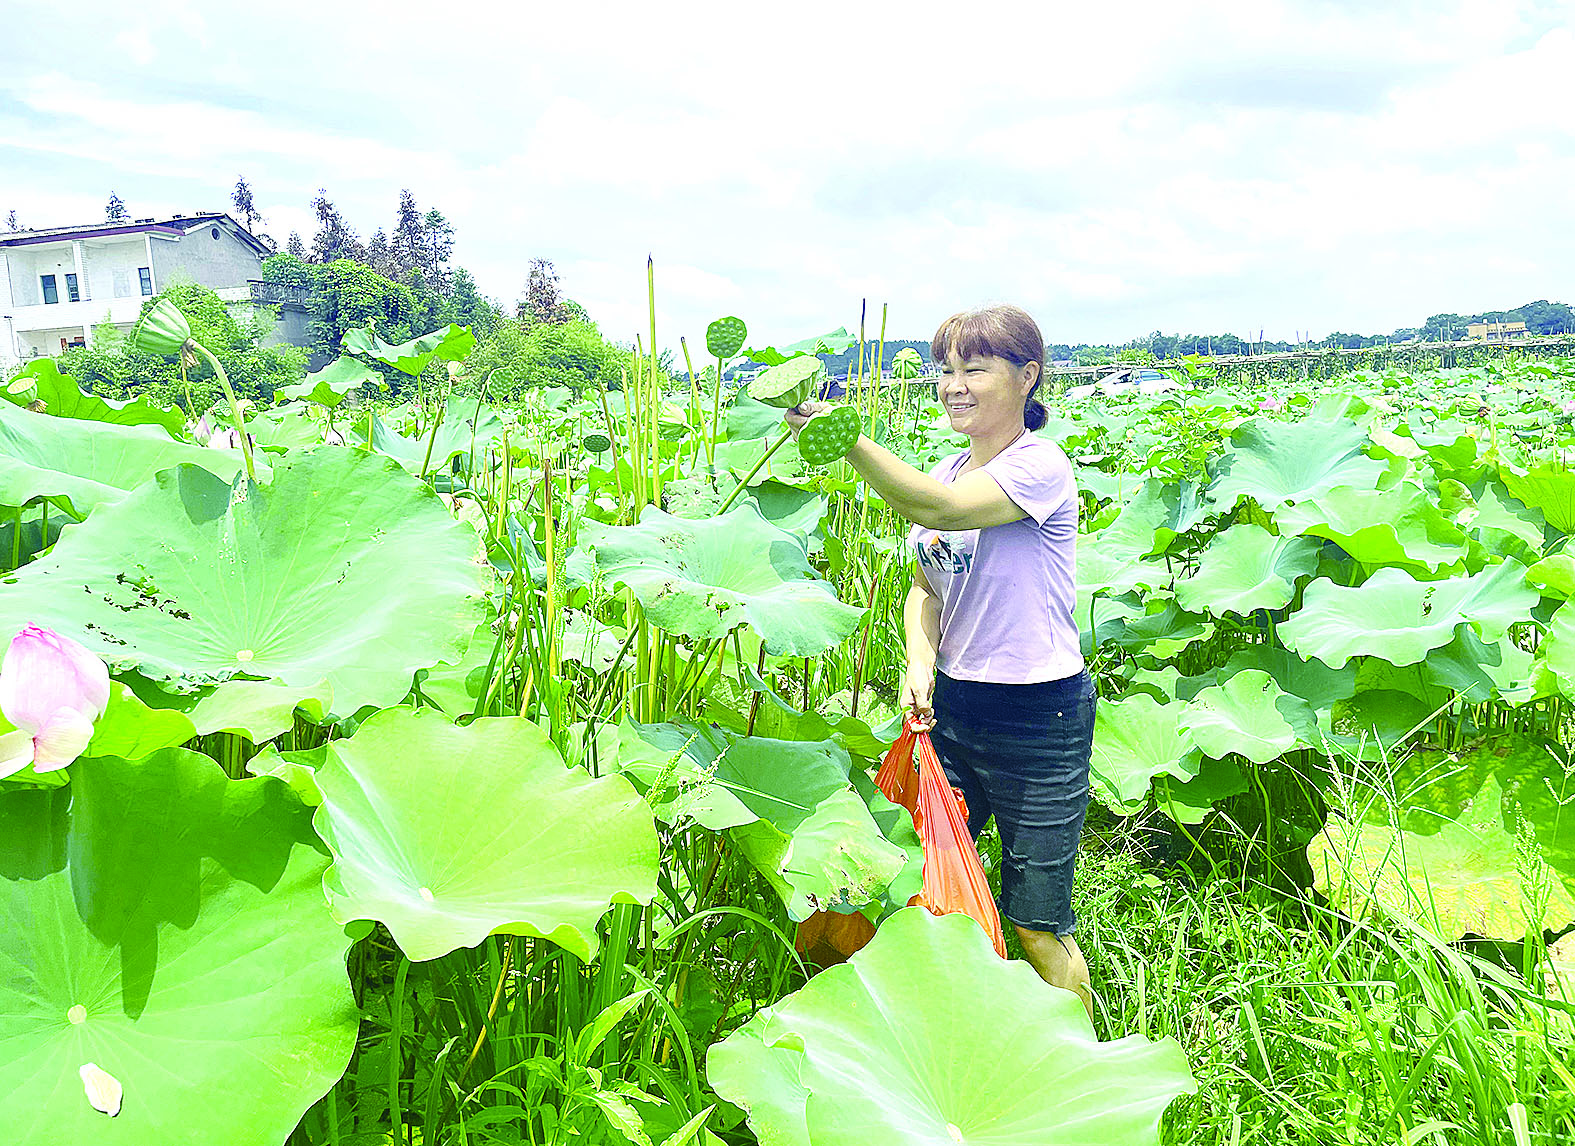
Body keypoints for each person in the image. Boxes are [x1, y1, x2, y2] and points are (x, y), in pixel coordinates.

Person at [786, 303, 1096, 1019]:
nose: (954, 385)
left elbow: (947, 511)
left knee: (1035, 925)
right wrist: (918, 661)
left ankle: (1079, 1057)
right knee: (914, 884)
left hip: (1039, 718)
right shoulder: (949, 468)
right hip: (953, 711)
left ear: (1027, 376)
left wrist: (847, 439)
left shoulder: (1038, 467)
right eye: (946, 370)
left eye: (974, 369)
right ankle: (922, 1028)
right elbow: (926, 587)